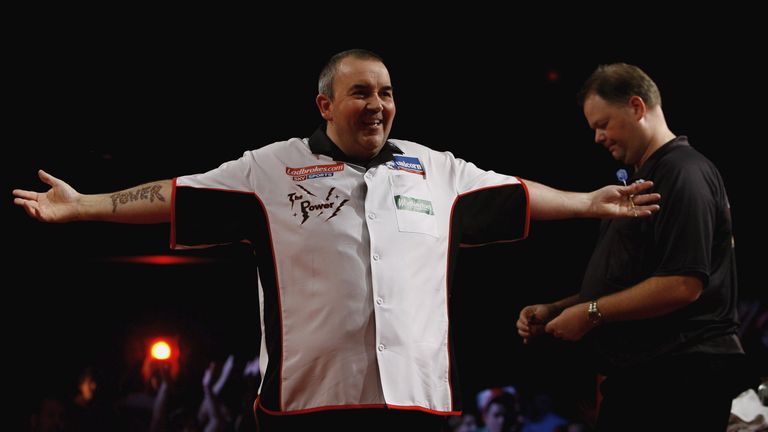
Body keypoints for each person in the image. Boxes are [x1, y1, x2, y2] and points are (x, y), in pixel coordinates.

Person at [14, 50, 658, 431]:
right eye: (360, 93)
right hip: (308, 405)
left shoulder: (435, 170)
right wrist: (85, 207)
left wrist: (587, 202)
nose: (377, 104)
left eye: (386, 92)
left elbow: (520, 192)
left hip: (416, 401)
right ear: (325, 106)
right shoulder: (270, 168)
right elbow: (173, 195)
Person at [516, 63, 746, 431]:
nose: (597, 137)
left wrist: (590, 313)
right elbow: (625, 282)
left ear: (637, 107)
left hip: (681, 371)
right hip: (651, 373)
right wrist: (557, 308)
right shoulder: (645, 180)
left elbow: (683, 284)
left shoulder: (683, 172)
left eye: (602, 124)